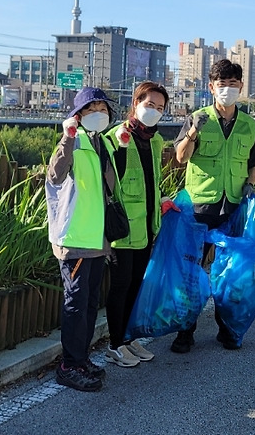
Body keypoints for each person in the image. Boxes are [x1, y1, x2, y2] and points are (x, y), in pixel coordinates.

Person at [170, 59, 255, 353]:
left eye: (233, 84)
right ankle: (186, 331)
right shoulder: (197, 118)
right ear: (211, 87)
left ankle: (227, 329)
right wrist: (192, 132)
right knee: (191, 270)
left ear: (241, 87)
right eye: (222, 85)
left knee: (231, 273)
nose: (227, 90)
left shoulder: (249, 124)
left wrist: (249, 184)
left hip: (233, 205)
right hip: (200, 205)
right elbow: (181, 157)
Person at [45, 87, 119, 392]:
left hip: (97, 239)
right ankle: (69, 365)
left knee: (89, 303)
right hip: (75, 238)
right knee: (75, 304)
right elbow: (54, 176)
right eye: (91, 109)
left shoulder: (102, 143)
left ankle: (81, 358)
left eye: (103, 109)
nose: (99, 114)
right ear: (77, 115)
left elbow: (109, 189)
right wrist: (68, 136)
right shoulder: (74, 143)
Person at [104, 81, 171, 368]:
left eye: (159, 108)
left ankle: (128, 338)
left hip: (146, 226)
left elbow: (150, 181)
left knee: (135, 285)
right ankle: (115, 344)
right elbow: (105, 185)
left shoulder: (156, 141)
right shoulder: (116, 137)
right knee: (119, 286)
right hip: (121, 229)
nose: (153, 111)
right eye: (149, 105)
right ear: (135, 104)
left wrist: (161, 201)